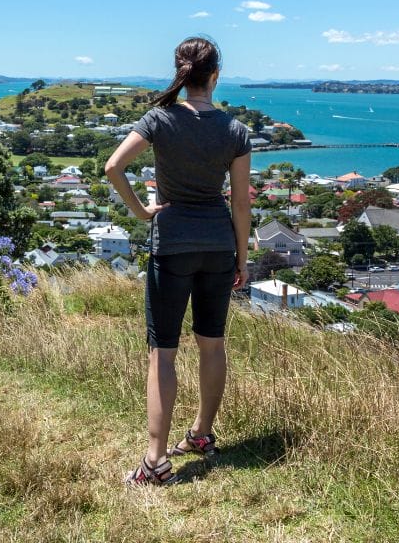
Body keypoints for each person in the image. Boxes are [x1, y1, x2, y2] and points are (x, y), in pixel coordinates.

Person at [105, 36, 252, 486]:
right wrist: (241, 258)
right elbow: (241, 203)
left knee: (162, 354)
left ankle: (155, 461)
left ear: (181, 73)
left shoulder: (159, 120)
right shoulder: (233, 129)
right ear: (216, 75)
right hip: (218, 247)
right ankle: (202, 435)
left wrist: (142, 211)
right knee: (212, 344)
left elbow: (114, 167)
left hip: (172, 246)